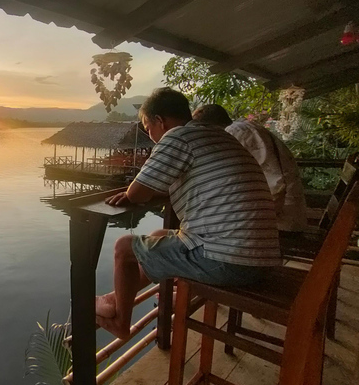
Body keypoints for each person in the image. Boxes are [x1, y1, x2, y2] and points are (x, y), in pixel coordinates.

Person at [95, 88, 281, 339]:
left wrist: (129, 196)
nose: (150, 137)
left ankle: (120, 324)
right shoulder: (220, 136)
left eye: (148, 128)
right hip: (263, 258)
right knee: (161, 234)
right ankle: (114, 298)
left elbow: (137, 193)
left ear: (160, 121)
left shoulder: (177, 137)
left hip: (229, 261)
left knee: (124, 247)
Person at [192, 104, 308, 233]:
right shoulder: (244, 129)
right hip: (284, 215)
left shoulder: (235, 133)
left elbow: (274, 186)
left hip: (279, 222)